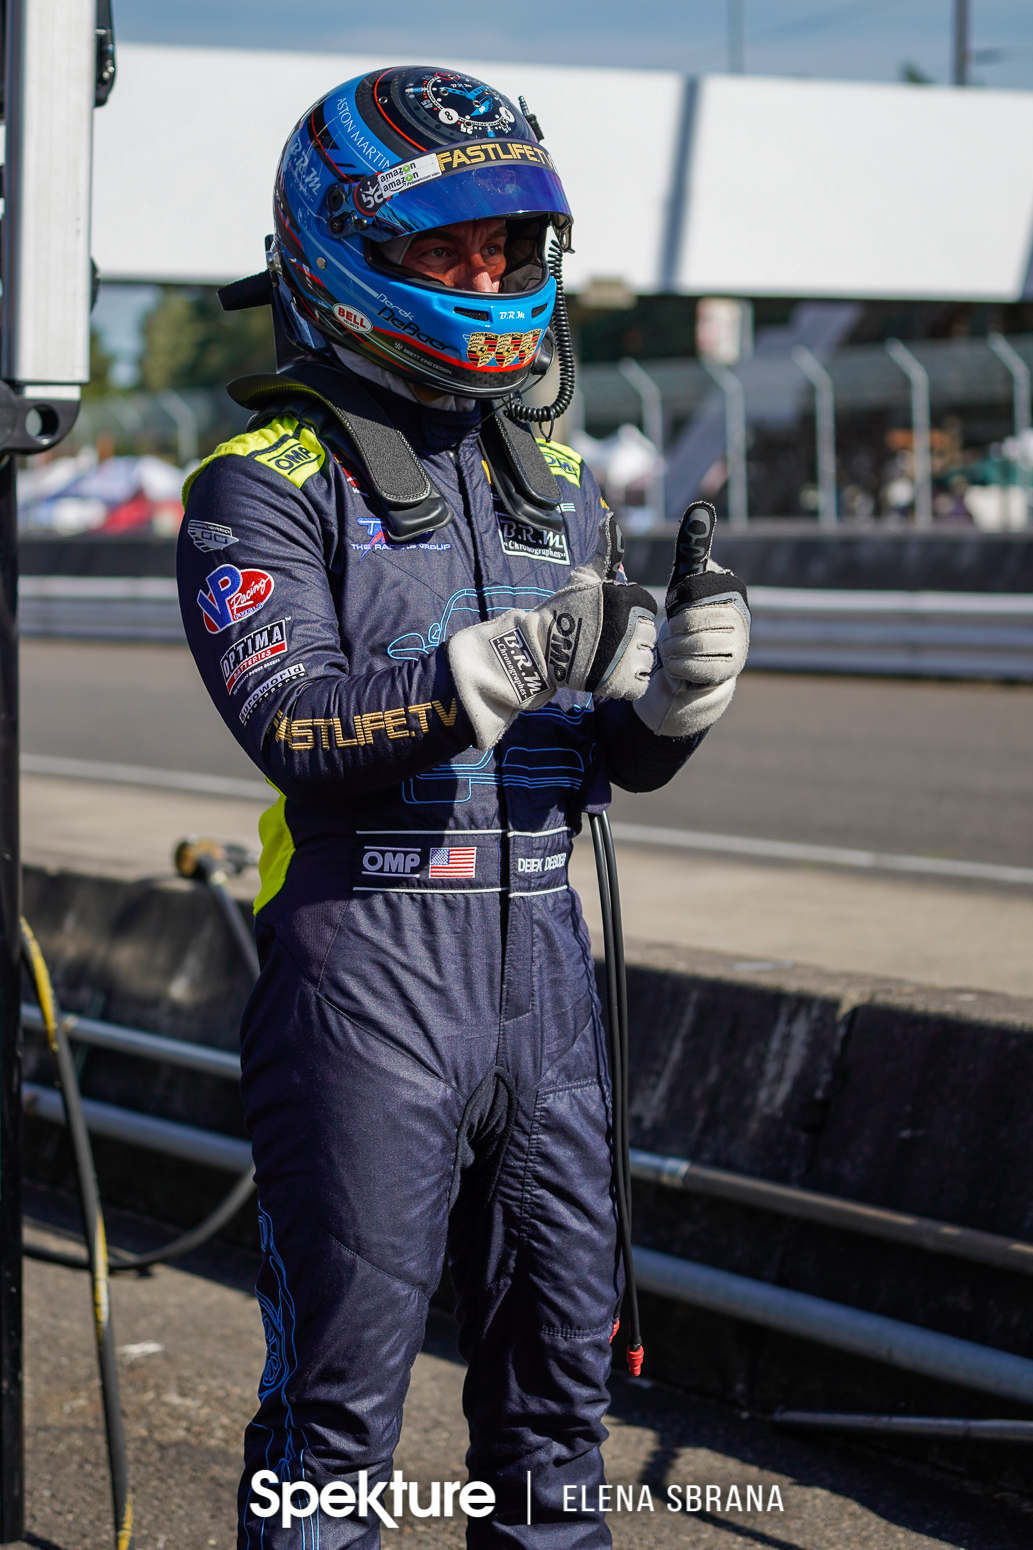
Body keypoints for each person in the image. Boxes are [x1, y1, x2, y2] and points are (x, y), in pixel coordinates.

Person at [176, 66, 750, 1549]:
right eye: (445, 249)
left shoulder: (559, 479)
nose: (485, 276)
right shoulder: (258, 482)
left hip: (546, 979)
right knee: (341, 1421)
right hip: (365, 973)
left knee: (564, 1414)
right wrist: (496, 662)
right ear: (345, 247)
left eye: (504, 247)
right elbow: (292, 719)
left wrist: (668, 707)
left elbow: (598, 759)